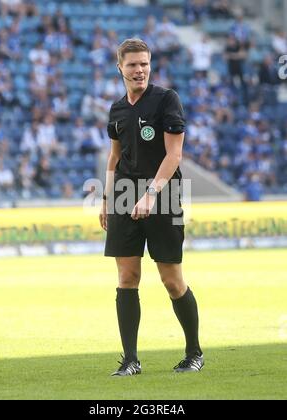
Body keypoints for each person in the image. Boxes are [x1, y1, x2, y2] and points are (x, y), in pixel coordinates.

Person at [99, 39, 204, 376]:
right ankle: (130, 360)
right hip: (124, 194)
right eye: (132, 65)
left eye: (144, 63)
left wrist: (151, 195)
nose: (139, 69)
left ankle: (194, 354)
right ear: (120, 68)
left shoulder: (166, 100)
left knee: (171, 280)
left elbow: (174, 155)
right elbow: (115, 157)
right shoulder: (116, 110)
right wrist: (105, 197)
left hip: (165, 193)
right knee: (127, 276)